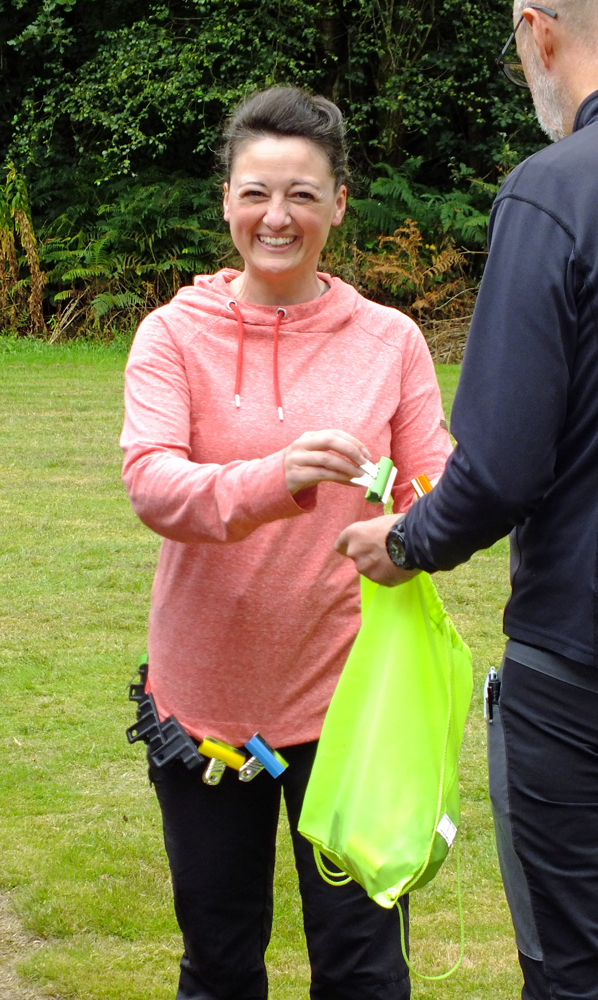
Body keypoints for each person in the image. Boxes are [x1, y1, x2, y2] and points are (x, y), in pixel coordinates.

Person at [335, 3, 598, 999]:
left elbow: (500, 469)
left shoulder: (555, 190)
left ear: (537, 28)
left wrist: (406, 538)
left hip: (589, 683)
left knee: (589, 980)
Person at [120, 86, 452, 1000]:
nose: (279, 216)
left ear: (339, 203)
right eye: (258, 191)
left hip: (354, 704)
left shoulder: (389, 340)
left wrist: (409, 521)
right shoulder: (170, 336)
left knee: (362, 966)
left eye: (303, 194)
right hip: (206, 709)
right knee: (221, 960)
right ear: (225, 198)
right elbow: (151, 482)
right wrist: (279, 478)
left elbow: (437, 476)